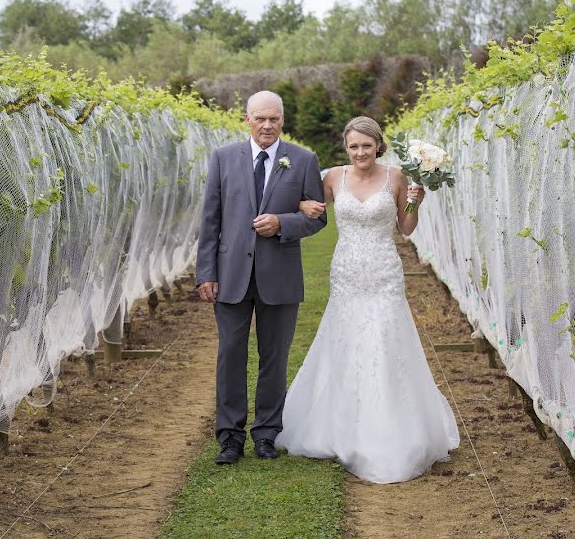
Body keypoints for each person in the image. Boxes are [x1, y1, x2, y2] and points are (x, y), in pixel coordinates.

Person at [274, 116, 460, 483]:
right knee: (344, 340)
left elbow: (405, 230)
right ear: (346, 148)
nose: (360, 152)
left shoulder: (395, 177)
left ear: (378, 145)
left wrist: (414, 202)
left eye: (366, 145)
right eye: (353, 146)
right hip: (346, 272)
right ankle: (339, 424)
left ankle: (391, 426)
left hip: (383, 272)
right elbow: (311, 207)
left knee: (386, 342)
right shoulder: (333, 178)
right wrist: (298, 206)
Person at [196, 91, 327, 465]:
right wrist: (206, 272)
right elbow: (210, 220)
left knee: (275, 357)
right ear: (247, 120)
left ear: (283, 120)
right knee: (230, 355)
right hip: (231, 275)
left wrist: (282, 223)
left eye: (274, 119)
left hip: (279, 276)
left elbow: (318, 217)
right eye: (260, 119)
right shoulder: (223, 158)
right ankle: (229, 438)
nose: (267, 125)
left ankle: (267, 433)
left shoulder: (303, 159)